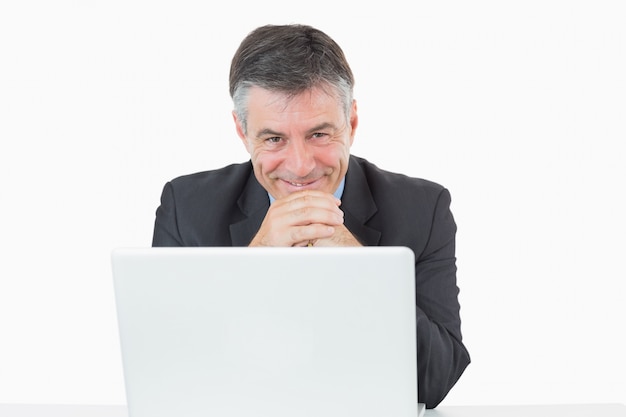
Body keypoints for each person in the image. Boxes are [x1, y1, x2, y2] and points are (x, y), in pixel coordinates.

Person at [152, 23, 470, 408]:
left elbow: (436, 380)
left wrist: (360, 266)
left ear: (351, 122)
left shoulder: (423, 207)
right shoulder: (186, 206)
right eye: (274, 139)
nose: (301, 167)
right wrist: (255, 262)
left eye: (319, 135)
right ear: (242, 130)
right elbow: (167, 376)